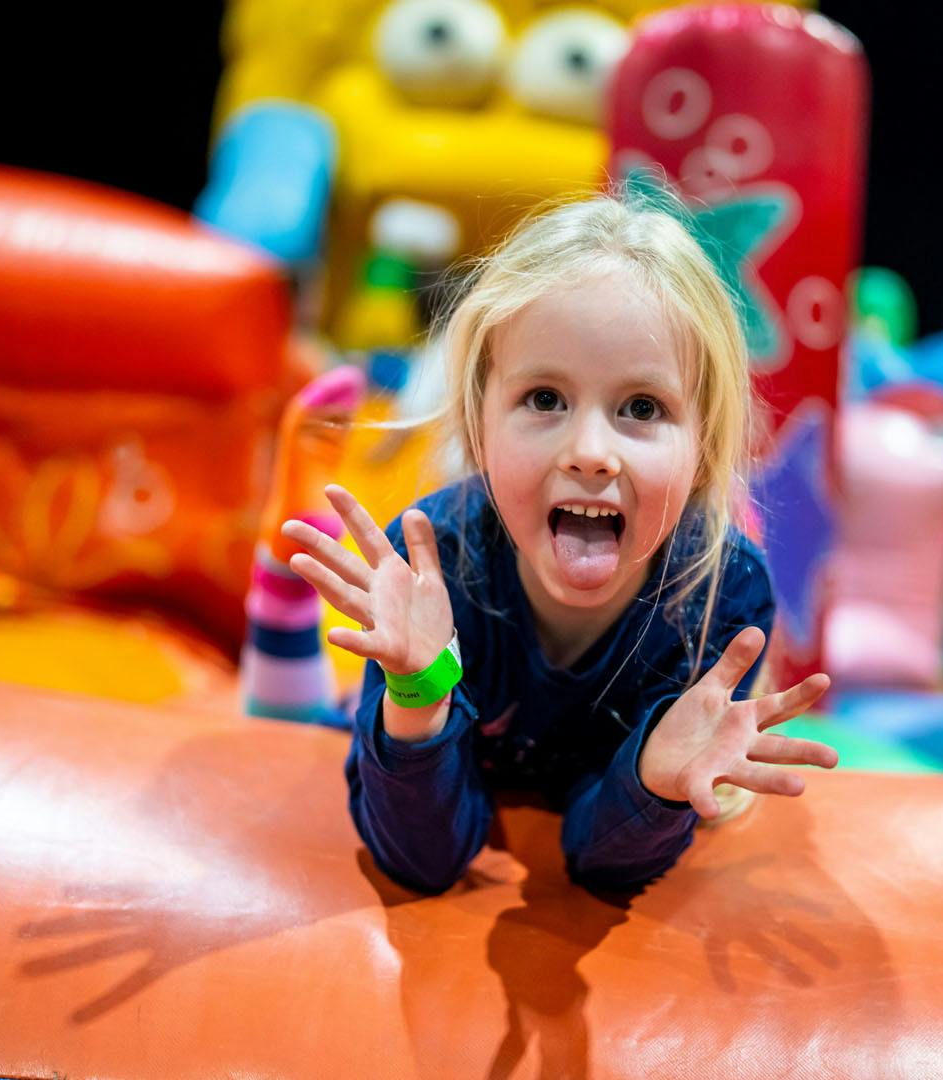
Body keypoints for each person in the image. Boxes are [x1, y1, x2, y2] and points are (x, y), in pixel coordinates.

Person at [268, 192, 836, 893]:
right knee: (288, 714)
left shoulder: (723, 597)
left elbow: (600, 863)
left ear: (704, 445)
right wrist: (419, 691)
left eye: (642, 408)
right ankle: (277, 604)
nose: (590, 452)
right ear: (481, 421)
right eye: (544, 399)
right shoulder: (435, 566)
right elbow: (424, 859)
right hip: (397, 729)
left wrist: (656, 783)